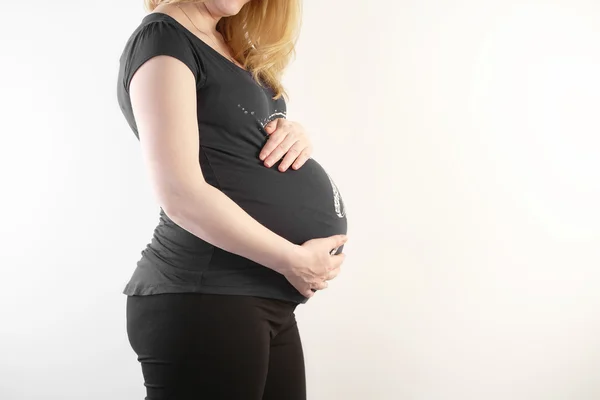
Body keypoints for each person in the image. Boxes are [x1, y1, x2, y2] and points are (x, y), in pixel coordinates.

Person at [116, 1, 349, 398]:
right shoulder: (164, 37)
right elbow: (180, 193)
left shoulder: (227, 43)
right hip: (205, 294)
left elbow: (235, 140)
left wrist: (294, 134)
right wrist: (292, 260)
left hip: (258, 297)